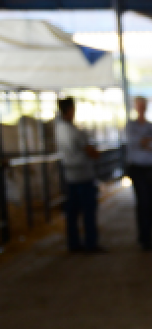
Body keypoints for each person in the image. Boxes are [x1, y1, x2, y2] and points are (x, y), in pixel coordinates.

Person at [55, 97, 103, 253]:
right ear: (70, 110)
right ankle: (90, 243)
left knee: (72, 213)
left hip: (70, 176)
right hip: (83, 175)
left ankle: (73, 243)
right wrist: (96, 153)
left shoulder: (59, 129)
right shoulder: (75, 131)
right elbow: (91, 151)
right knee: (88, 212)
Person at [124, 96, 152, 250]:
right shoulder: (130, 126)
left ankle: (149, 236)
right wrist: (146, 141)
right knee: (143, 202)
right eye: (138, 105)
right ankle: (144, 237)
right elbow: (134, 141)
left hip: (149, 167)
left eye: (143, 105)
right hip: (137, 168)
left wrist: (144, 142)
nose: (141, 108)